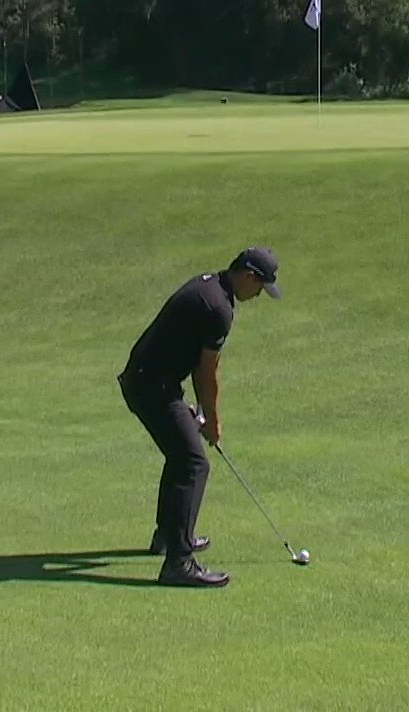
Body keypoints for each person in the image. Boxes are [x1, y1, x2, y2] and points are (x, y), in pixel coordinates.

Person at [117, 247, 283, 588]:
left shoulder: (211, 286)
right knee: (194, 462)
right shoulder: (218, 307)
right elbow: (207, 369)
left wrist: (198, 413)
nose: (258, 296)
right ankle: (178, 562)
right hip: (150, 385)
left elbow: (195, 362)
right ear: (249, 276)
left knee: (181, 455)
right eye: (260, 288)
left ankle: (169, 535)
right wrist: (212, 419)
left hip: (148, 379)